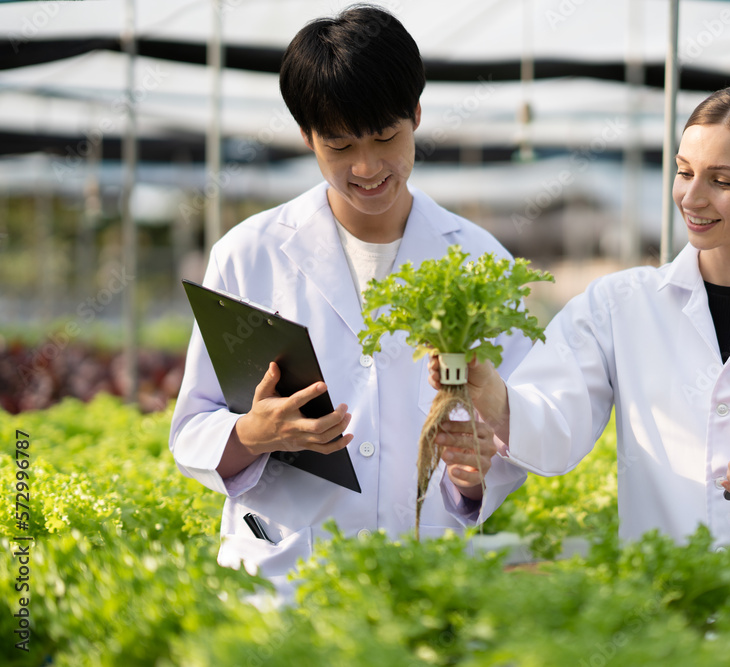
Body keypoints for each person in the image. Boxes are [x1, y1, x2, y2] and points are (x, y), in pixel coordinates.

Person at [432, 84, 730, 545]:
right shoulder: (618, 306)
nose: (692, 197)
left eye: (722, 180)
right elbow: (556, 430)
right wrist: (494, 397)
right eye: (685, 172)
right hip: (666, 608)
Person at [169, 5, 530, 585]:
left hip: (422, 573)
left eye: (386, 137)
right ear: (307, 137)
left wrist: (472, 474)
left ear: (416, 114)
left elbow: (516, 425)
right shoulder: (248, 254)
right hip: (283, 575)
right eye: (338, 146)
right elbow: (191, 429)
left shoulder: (481, 261)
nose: (366, 167)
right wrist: (258, 434)